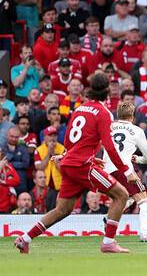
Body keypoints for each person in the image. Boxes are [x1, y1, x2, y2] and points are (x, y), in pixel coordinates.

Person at [15, 73, 138, 254]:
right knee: (122, 195)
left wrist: (67, 155)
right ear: (107, 91)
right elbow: (110, 147)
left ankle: (25, 239)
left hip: (70, 164)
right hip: (82, 165)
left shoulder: (80, 109)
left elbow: (69, 139)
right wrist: (126, 171)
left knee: (62, 209)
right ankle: (108, 242)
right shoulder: (103, 112)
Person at [103, 101, 147, 242]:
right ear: (133, 116)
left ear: (117, 115)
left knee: (127, 198)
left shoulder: (108, 127)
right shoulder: (137, 131)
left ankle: (108, 218)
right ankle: (144, 234)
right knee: (143, 202)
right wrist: (137, 159)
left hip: (106, 170)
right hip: (124, 170)